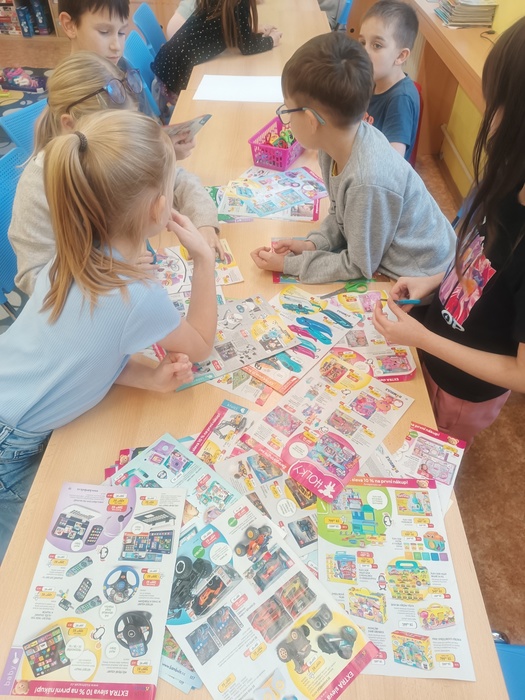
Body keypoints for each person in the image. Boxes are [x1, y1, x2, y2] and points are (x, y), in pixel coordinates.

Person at [0, 110, 217, 563]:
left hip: (11, 404)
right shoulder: (135, 295)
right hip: (11, 443)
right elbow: (200, 344)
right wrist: (204, 261)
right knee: (27, 561)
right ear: (159, 209)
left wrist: (145, 377)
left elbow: (81, 353)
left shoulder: (71, 254)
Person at [372, 17, 525, 447]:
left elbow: (520, 373)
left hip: (462, 392)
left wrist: (423, 338)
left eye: (499, 104)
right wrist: (437, 280)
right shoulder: (510, 178)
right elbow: (483, 261)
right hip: (436, 350)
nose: (488, 118)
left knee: (428, 452)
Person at [9, 52, 223, 295]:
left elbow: (179, 179)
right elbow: (33, 278)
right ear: (69, 124)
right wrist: (112, 267)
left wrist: (205, 223)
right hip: (91, 300)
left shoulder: (116, 147)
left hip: (132, 277)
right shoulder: (38, 188)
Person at [250, 32, 455, 284]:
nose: (287, 120)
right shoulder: (335, 143)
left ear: (312, 121)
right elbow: (342, 216)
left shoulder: (365, 179)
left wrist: (289, 265)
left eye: (288, 111)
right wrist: (313, 244)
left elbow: (359, 264)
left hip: (424, 276)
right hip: (382, 254)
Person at [152, 0, 281, 98]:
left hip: (166, 64)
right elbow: (247, 47)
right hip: (174, 77)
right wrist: (271, 41)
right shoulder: (240, 3)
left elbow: (235, 34)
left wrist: (255, 34)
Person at [359, 0, 420, 160]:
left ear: (401, 56)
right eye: (362, 42)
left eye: (377, 45)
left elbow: (392, 162)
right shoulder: (373, 79)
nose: (364, 52)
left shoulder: (401, 99)